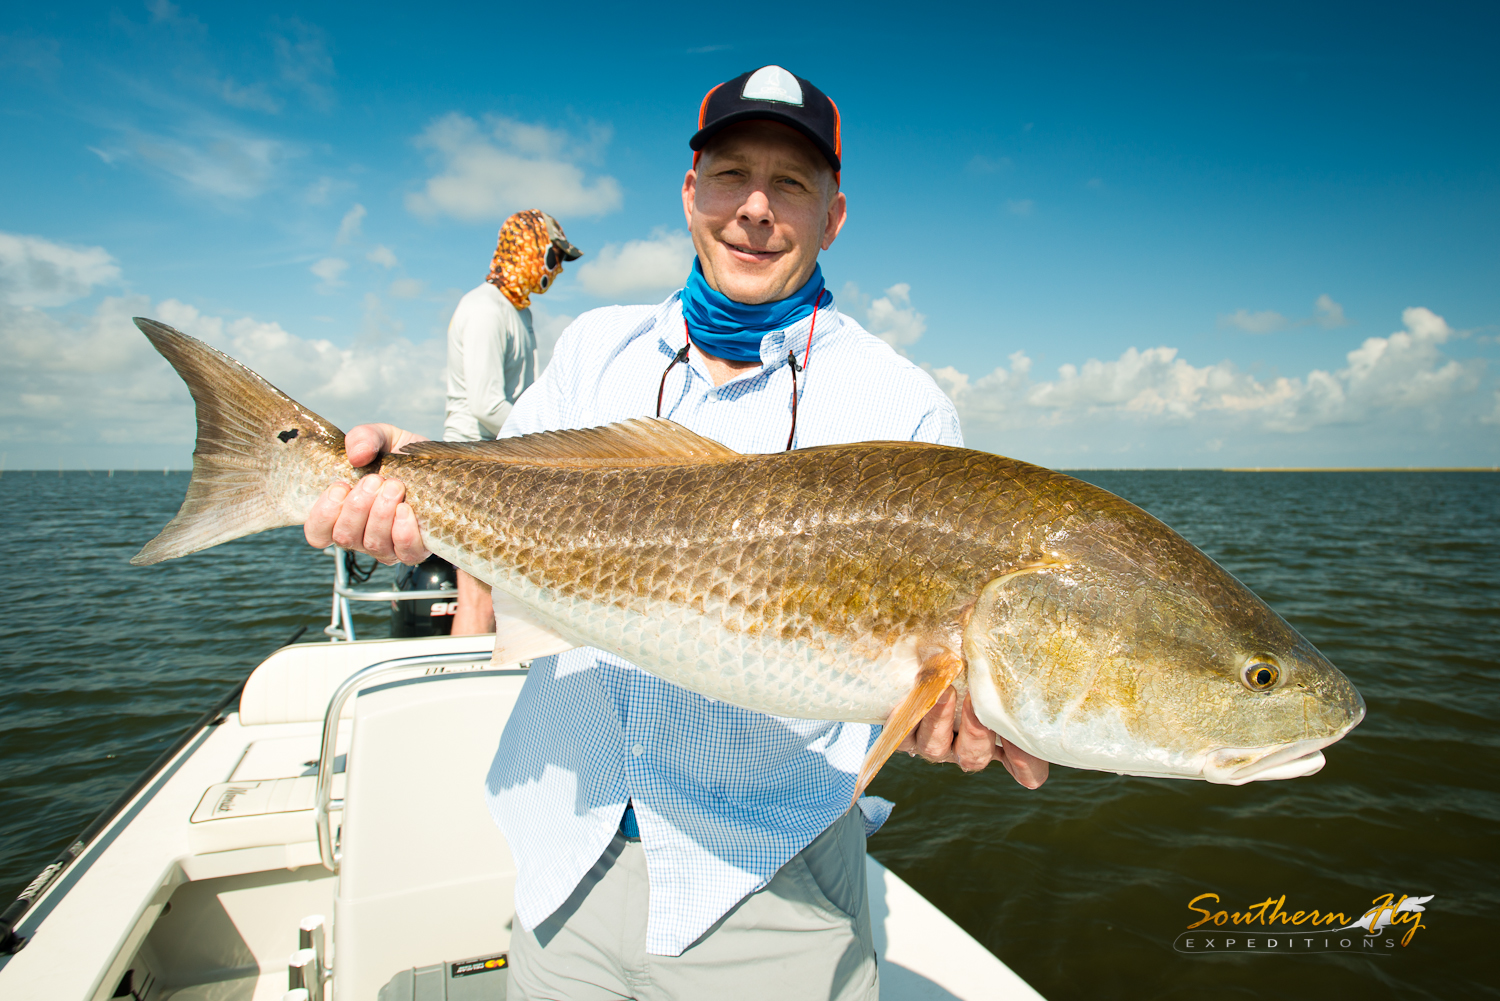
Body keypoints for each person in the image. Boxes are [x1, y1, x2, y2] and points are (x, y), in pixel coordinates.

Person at [305, 65, 1048, 1000]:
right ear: (691, 193)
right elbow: (495, 494)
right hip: (560, 851)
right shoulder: (593, 350)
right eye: (733, 174)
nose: (756, 209)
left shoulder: (903, 406)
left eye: (791, 184)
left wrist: (954, 717)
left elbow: (925, 666)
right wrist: (409, 493)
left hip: (765, 884)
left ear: (835, 215)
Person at [442, 210, 582, 635]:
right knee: (479, 597)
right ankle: (467, 687)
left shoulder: (518, 312)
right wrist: (550, 446)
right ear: (526, 249)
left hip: (501, 460)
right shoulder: (486, 309)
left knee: (505, 591)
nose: (555, 271)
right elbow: (486, 405)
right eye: (552, 258)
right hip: (473, 460)